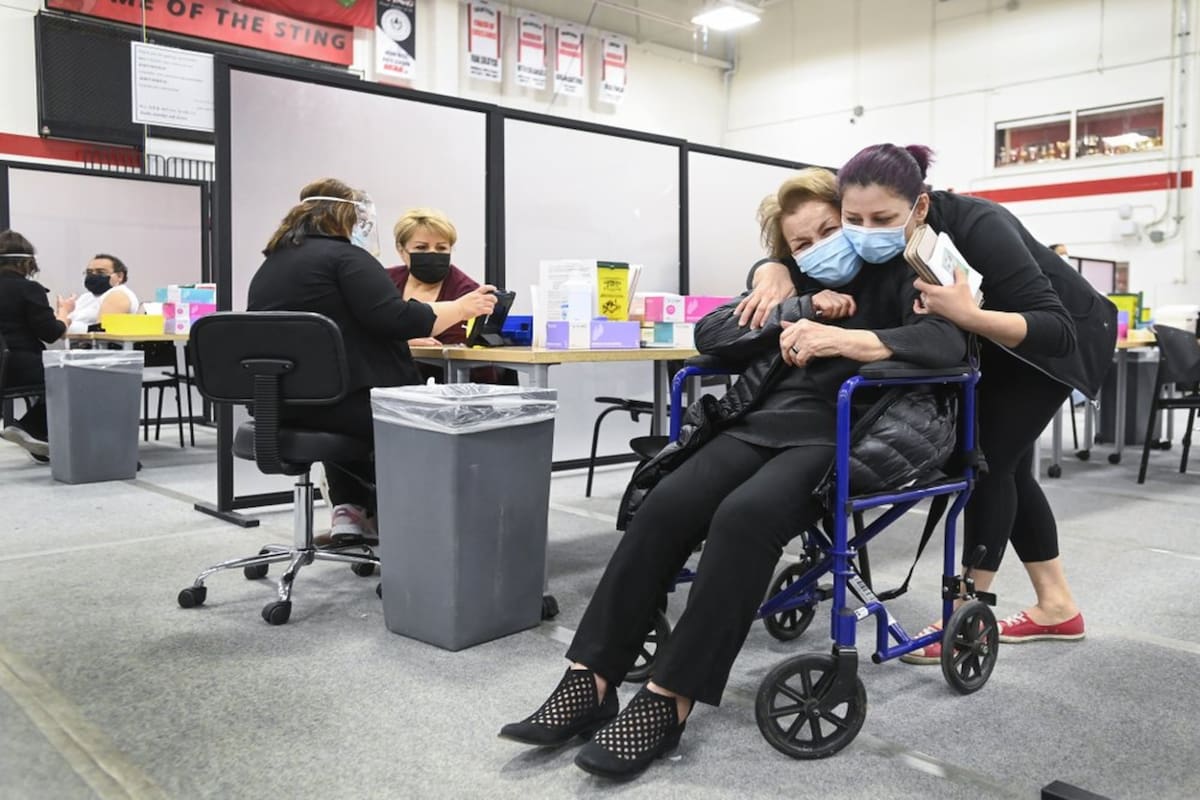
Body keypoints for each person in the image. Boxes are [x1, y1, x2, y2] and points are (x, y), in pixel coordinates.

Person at [498, 168, 966, 780]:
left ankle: (670, 701)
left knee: (744, 519)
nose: (824, 244)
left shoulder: (909, 272)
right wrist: (789, 296)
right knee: (667, 503)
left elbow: (949, 345)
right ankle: (591, 678)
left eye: (834, 227)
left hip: (848, 431)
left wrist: (845, 340)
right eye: (802, 242)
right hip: (760, 422)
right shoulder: (793, 279)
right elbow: (711, 333)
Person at [832, 143, 1115, 658]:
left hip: (1057, 340)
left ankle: (963, 616)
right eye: (854, 218)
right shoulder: (862, 227)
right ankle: (1057, 608)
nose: (866, 230)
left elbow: (1054, 331)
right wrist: (772, 271)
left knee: (986, 461)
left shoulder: (980, 224)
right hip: (992, 343)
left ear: (919, 206)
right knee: (1010, 469)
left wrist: (971, 317)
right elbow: (795, 234)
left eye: (883, 218)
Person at [246, 179, 497, 542]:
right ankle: (417, 526)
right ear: (348, 216)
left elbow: (345, 326)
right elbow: (395, 318)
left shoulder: (274, 263)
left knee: (353, 402)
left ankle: (350, 513)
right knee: (415, 412)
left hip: (279, 404)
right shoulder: (347, 259)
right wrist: (459, 308)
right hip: (338, 406)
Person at [386, 208, 513, 385]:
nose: (432, 253)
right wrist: (403, 343)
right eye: (421, 248)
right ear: (401, 250)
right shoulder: (384, 282)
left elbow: (472, 363)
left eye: (441, 248)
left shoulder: (469, 294)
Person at [0, 230, 75, 460]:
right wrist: (64, 314)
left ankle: (40, 439)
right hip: (19, 366)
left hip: (5, 368)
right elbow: (50, 333)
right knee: (72, 376)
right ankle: (30, 427)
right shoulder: (28, 289)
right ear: (26, 262)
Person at [68, 254, 139, 333]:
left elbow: (101, 331)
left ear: (119, 276)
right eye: (89, 272)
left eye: (101, 272)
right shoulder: (86, 297)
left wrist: (66, 326)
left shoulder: (118, 295)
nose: (93, 275)